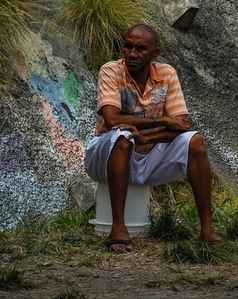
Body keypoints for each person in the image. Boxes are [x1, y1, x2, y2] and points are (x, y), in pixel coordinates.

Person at [84, 23, 220, 252]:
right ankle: (118, 229)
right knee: (123, 136)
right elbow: (112, 120)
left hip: (148, 152)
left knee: (194, 140)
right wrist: (162, 120)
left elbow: (182, 125)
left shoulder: (166, 74)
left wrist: (147, 138)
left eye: (140, 49)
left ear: (155, 53)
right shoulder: (111, 70)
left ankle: (207, 230)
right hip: (105, 156)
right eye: (128, 46)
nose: (132, 54)